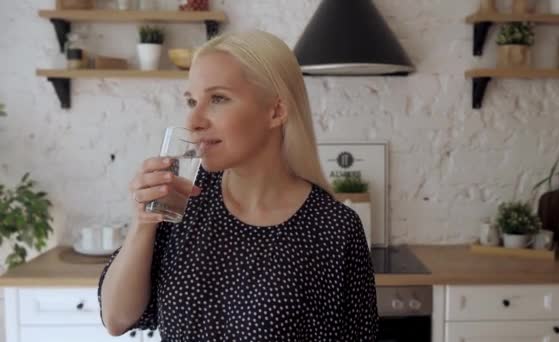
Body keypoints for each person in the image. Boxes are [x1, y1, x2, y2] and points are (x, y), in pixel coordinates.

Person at [97, 29, 379, 341]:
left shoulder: (333, 229)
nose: (194, 120)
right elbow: (116, 319)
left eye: (218, 98)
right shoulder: (182, 198)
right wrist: (142, 223)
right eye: (192, 100)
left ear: (276, 111)